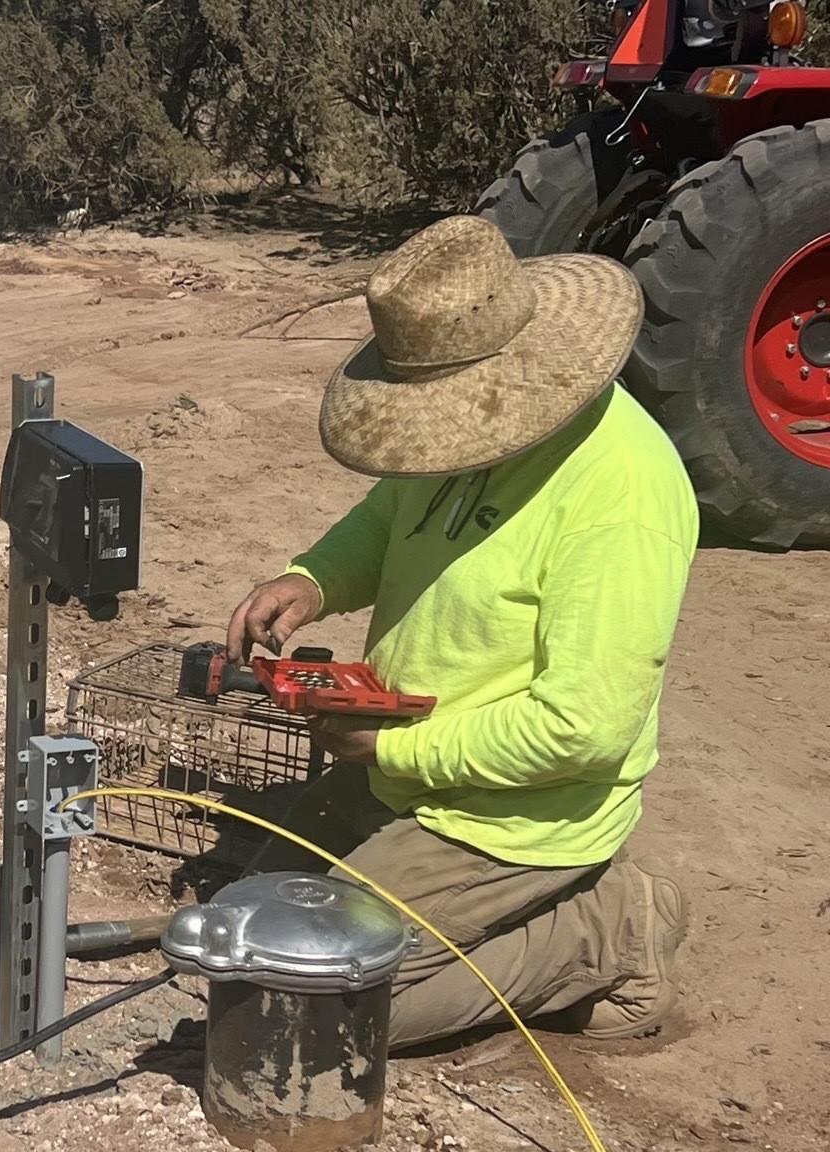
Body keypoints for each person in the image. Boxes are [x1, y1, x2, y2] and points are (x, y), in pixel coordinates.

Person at [226, 215, 697, 1047]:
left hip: (512, 819)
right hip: (414, 776)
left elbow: (581, 730)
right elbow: (392, 513)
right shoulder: (469, 437)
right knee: (251, 921)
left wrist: (394, 750)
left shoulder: (622, 495)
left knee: (315, 1010)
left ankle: (612, 928)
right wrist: (313, 578)